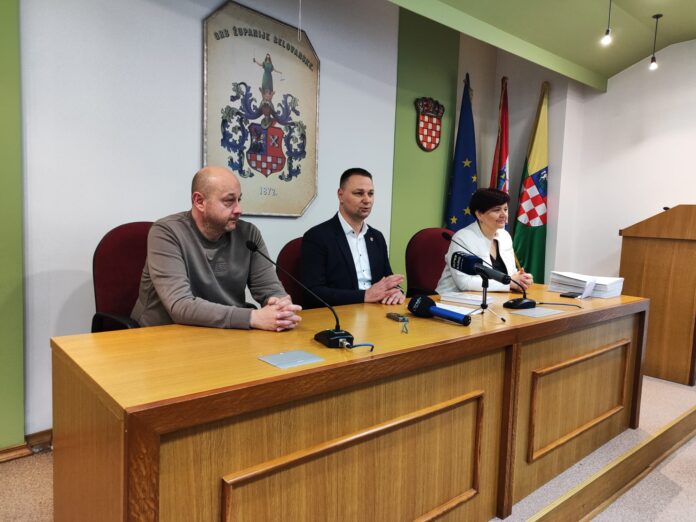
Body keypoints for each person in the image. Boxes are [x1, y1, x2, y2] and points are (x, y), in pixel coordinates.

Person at [131, 166, 301, 331]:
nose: (239, 209)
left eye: (239, 200)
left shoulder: (248, 234)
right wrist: (252, 317)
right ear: (199, 201)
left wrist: (281, 306)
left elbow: (270, 289)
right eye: (229, 201)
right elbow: (180, 305)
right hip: (165, 334)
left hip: (225, 331)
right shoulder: (166, 232)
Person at [301, 168, 405, 308]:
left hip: (378, 311)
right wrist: (364, 296)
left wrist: (397, 291)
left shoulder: (377, 237)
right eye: (359, 193)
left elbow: (387, 279)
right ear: (341, 195)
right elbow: (313, 293)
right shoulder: (317, 237)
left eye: (370, 193)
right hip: (340, 313)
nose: (367, 200)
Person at [436, 188, 534, 294]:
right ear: (479, 214)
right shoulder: (462, 238)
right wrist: (510, 283)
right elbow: (464, 282)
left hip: (494, 297)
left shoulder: (505, 236)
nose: (504, 215)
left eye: (505, 209)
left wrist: (521, 279)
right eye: (497, 210)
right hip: (453, 298)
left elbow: (511, 274)